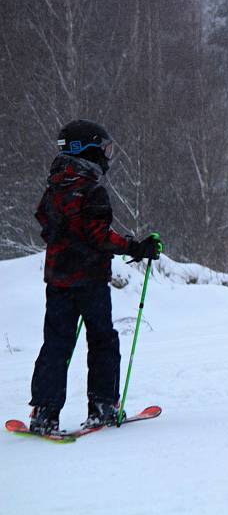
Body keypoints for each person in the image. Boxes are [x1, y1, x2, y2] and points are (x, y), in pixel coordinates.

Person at [28, 119, 162, 434]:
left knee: (56, 344)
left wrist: (64, 241)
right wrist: (135, 247)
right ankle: (103, 405)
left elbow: (45, 220)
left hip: (58, 280)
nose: (106, 156)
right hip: (89, 279)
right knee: (102, 340)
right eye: (104, 149)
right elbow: (98, 234)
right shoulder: (92, 187)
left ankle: (44, 412)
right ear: (86, 149)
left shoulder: (56, 185)